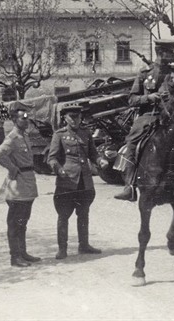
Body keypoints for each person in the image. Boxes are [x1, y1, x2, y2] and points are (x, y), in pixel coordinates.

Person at [114, 39, 174, 201]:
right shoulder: (145, 73)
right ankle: (130, 187)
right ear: (160, 53)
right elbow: (132, 99)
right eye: (170, 53)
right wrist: (149, 97)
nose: (173, 56)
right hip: (149, 116)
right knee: (132, 143)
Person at [47, 104, 109, 260]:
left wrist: (100, 160)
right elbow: (52, 158)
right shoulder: (59, 135)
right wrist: (58, 169)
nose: (75, 120)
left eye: (78, 117)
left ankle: (84, 245)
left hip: (84, 181)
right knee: (63, 215)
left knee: (83, 214)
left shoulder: (86, 133)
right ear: (65, 118)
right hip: (67, 181)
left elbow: (93, 154)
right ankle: (62, 248)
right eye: (72, 117)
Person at [0, 102, 41, 267]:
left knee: (23, 221)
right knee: (14, 222)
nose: (26, 121)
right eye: (22, 119)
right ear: (14, 120)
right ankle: (15, 257)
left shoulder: (24, 136)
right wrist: (12, 168)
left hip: (27, 183)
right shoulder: (12, 138)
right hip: (17, 186)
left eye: (27, 118)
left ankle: (23, 253)